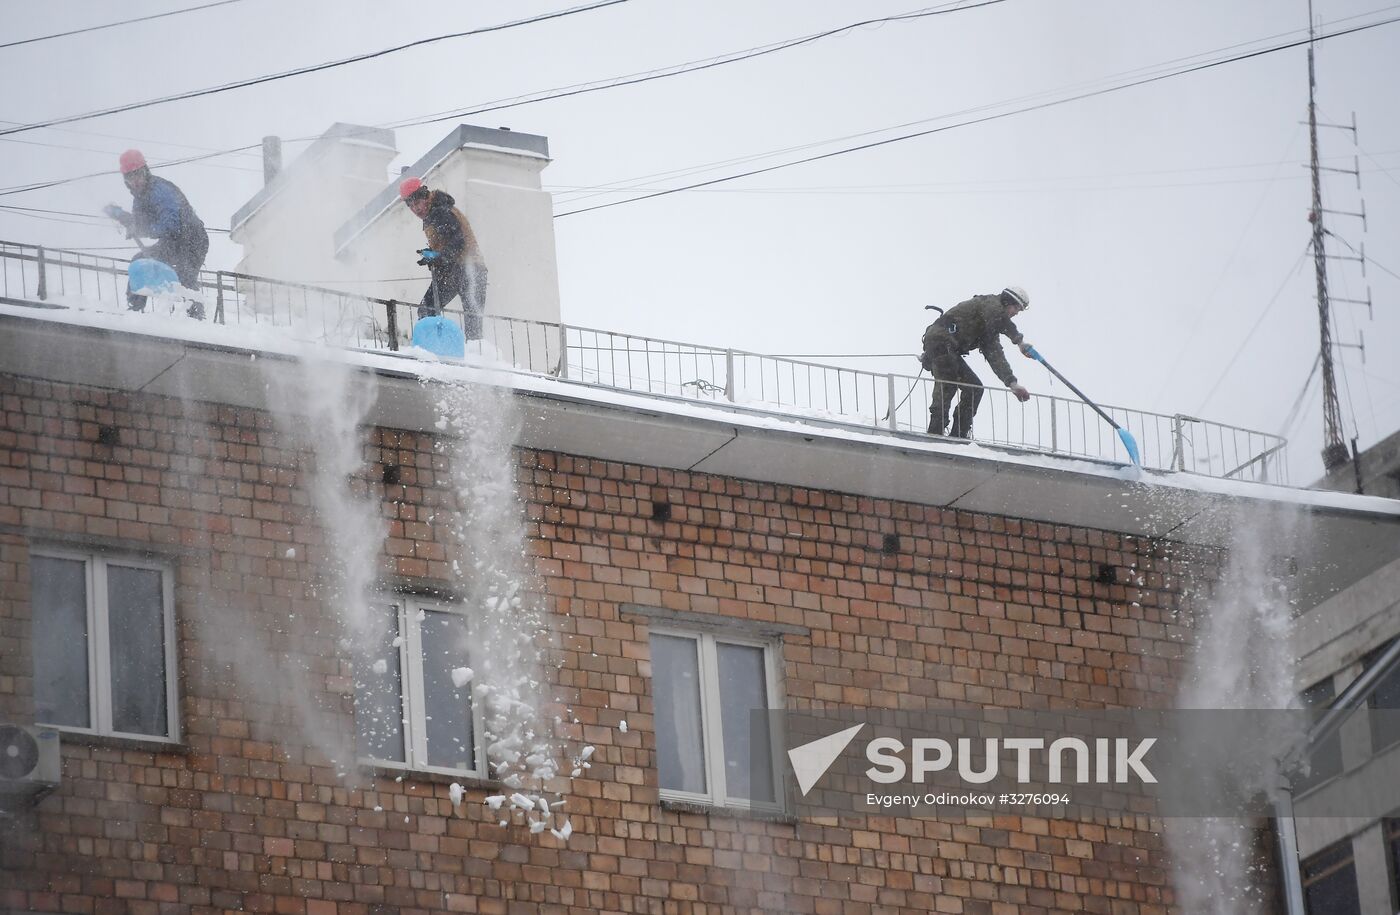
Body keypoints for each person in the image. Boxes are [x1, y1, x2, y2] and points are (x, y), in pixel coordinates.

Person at [104, 149, 209, 318]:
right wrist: (120, 215)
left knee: (184, 274)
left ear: (146, 171)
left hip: (192, 239)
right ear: (126, 181)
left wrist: (140, 229)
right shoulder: (139, 199)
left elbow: (170, 224)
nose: (135, 181)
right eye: (130, 177)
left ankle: (196, 317)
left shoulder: (161, 190)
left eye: (137, 174)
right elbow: (139, 222)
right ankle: (135, 310)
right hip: (173, 242)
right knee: (140, 261)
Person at [920, 286, 1034, 438]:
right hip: (941, 343)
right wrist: (1019, 341)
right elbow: (1002, 319)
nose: (1015, 313)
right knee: (947, 384)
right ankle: (935, 432)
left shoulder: (989, 327)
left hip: (946, 348)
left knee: (974, 388)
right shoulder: (990, 304)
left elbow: (996, 356)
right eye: (1016, 308)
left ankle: (959, 434)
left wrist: (1012, 383)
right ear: (1008, 301)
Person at [399, 177, 488, 339]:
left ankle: (436, 349)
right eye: (410, 206)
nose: (415, 209)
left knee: (430, 310)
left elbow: (458, 241)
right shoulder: (434, 212)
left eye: (417, 203)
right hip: (458, 270)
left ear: (425, 196)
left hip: (468, 269)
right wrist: (433, 254)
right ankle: (447, 349)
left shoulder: (439, 211)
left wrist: (439, 257)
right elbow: (448, 242)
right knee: (470, 320)